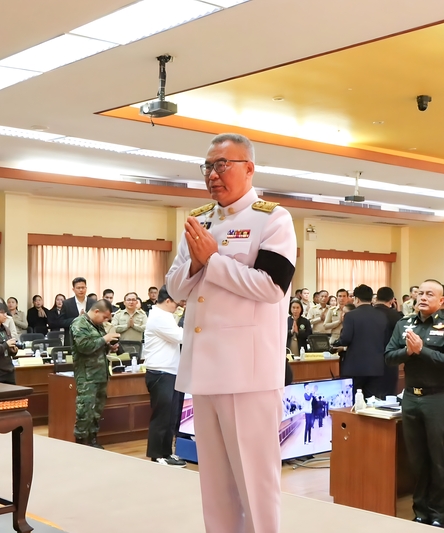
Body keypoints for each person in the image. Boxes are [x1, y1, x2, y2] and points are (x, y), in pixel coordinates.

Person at [166, 133, 297, 533]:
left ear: (249, 168)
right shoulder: (201, 220)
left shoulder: (272, 218)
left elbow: (271, 287)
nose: (213, 174)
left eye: (222, 165)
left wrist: (213, 260)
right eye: (208, 166)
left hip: (247, 373)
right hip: (204, 369)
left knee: (255, 483)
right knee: (215, 484)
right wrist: (196, 264)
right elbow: (175, 288)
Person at [384, 279, 444, 529]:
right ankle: (421, 512)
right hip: (411, 398)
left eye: (430, 294)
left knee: (438, 458)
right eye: (420, 293)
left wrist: (421, 350)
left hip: (438, 398)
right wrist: (407, 352)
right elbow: (388, 357)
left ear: (441, 300)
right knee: (417, 459)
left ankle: (440, 515)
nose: (423, 297)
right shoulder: (404, 324)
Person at [143, 286, 186, 467]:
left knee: (171, 416)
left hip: (170, 371)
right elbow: (181, 337)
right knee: (161, 416)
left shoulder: (166, 315)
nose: (178, 307)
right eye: (176, 303)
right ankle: (157, 454)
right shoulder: (159, 317)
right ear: (168, 300)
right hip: (160, 372)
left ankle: (167, 451)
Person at [71, 299, 121, 448]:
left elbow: (98, 345)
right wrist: (105, 339)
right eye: (104, 317)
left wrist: (109, 347)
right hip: (87, 376)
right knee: (85, 410)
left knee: (97, 410)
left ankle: (93, 439)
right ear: (96, 311)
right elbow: (84, 347)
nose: (105, 321)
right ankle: (80, 442)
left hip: (101, 374)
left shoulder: (97, 325)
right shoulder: (79, 323)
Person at [333, 284, 389, 399]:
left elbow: (346, 339)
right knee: (372, 401)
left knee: (353, 400)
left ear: (357, 299)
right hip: (376, 366)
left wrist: (337, 343)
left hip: (355, 366)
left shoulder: (351, 316)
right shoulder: (382, 315)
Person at [373, 286, 403, 396]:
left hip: (370, 360)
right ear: (392, 300)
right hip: (389, 359)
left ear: (376, 298)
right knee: (389, 395)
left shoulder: (369, 313)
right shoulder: (395, 315)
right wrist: (398, 311)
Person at [62, 277, 94, 345]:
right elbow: (61, 322)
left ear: (86, 288)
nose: (81, 290)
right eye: (78, 288)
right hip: (72, 340)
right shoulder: (67, 303)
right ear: (73, 289)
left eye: (83, 287)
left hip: (90, 340)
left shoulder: (93, 303)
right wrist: (78, 319)